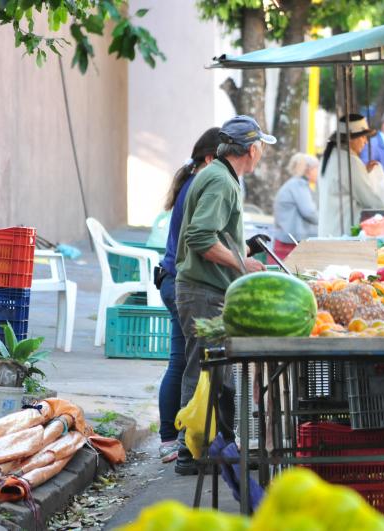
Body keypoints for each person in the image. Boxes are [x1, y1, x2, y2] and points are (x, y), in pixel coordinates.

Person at [174, 115, 273, 474]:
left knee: (212, 374)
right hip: (202, 291)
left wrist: (241, 256)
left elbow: (211, 234)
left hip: (206, 288)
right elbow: (200, 239)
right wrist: (240, 264)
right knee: (206, 374)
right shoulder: (221, 181)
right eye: (261, 145)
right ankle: (196, 454)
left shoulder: (219, 176)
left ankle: (213, 449)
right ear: (250, 149)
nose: (262, 152)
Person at [156, 127, 221, 464]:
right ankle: (178, 439)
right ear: (209, 158)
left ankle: (170, 437)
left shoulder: (194, 181)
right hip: (181, 281)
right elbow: (200, 238)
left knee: (181, 360)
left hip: (171, 279)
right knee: (186, 362)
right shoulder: (201, 184)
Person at [318, 113, 384, 237]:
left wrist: (364, 173)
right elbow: (373, 202)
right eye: (362, 137)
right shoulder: (350, 162)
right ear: (351, 139)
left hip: (328, 231)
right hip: (341, 235)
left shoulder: (331, 156)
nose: (365, 142)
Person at [272, 153, 320, 260]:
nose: (319, 172)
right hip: (289, 245)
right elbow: (309, 212)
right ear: (308, 169)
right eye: (317, 168)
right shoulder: (298, 185)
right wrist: (325, 223)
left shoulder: (296, 184)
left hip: (288, 241)